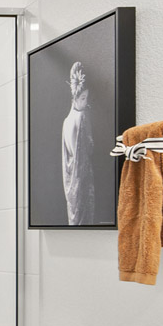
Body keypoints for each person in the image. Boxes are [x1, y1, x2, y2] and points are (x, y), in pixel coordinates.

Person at [61, 61, 94, 225]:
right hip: (81, 182)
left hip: (71, 184)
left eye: (86, 98)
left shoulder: (66, 121)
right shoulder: (80, 118)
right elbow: (81, 155)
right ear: (75, 98)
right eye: (82, 98)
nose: (85, 102)